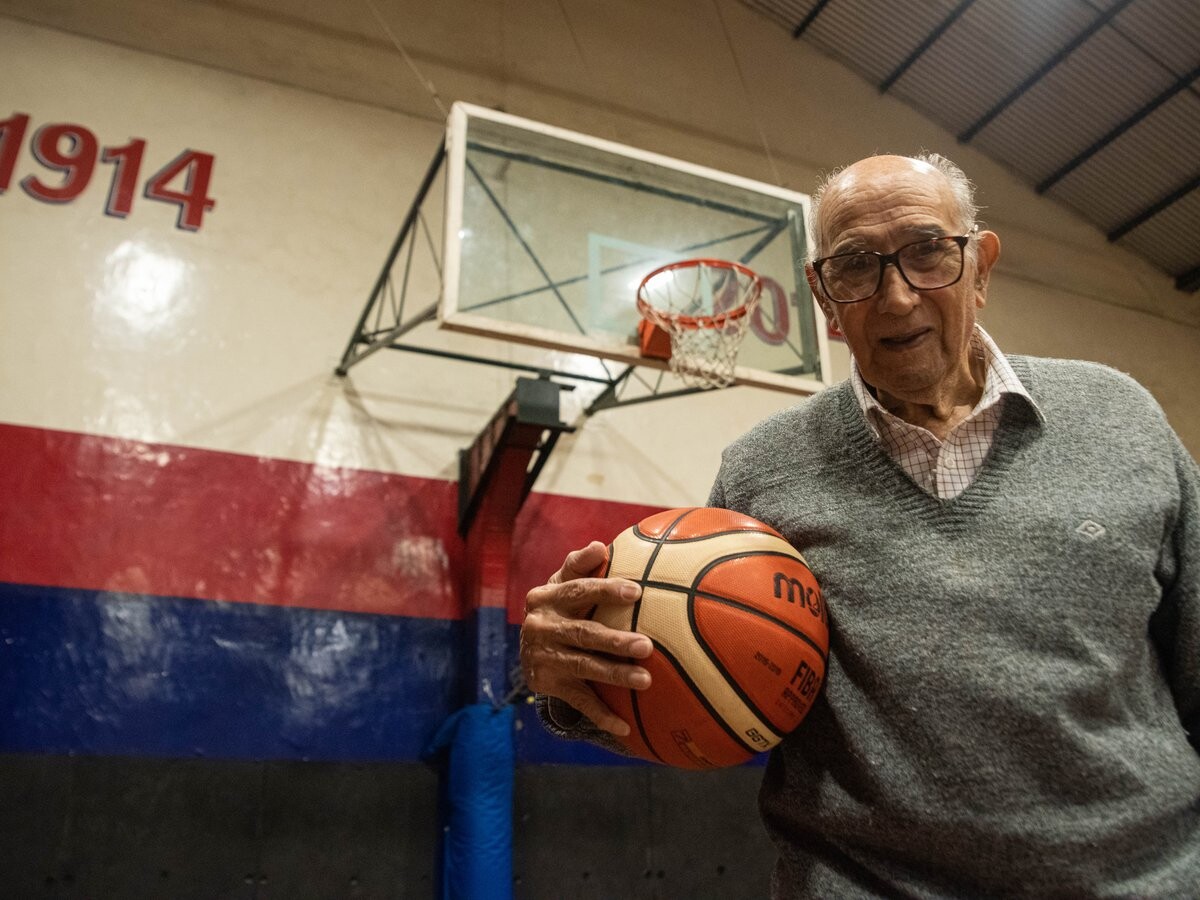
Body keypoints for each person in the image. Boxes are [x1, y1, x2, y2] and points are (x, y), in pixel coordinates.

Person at [520, 153, 1200, 897]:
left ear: (981, 268)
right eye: (855, 266)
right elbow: (700, 697)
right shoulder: (761, 473)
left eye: (928, 251)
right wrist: (576, 680)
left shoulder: (1119, 417)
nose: (899, 296)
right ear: (823, 296)